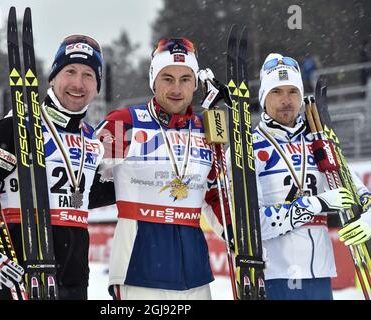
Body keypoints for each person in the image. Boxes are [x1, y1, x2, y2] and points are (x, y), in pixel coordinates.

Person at [0, 35, 113, 300]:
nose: (78, 84)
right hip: (21, 282)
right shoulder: (17, 128)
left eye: (88, 75)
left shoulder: (91, 140)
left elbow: (79, 198)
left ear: (98, 85)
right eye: (70, 71)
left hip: (75, 286)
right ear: (53, 77)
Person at [96, 38, 226, 300]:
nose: (176, 88)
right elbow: (82, 178)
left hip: (195, 274)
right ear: (153, 80)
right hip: (138, 268)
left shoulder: (208, 129)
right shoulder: (124, 124)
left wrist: (238, 239)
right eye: (167, 78)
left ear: (196, 83)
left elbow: (215, 196)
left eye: (185, 79)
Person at [253, 53, 371, 300]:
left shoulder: (318, 142)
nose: (286, 100)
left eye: (293, 92)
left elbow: (360, 193)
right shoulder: (248, 148)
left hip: (320, 274)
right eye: (276, 92)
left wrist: (369, 219)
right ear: (263, 97)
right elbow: (254, 224)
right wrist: (317, 203)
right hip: (273, 276)